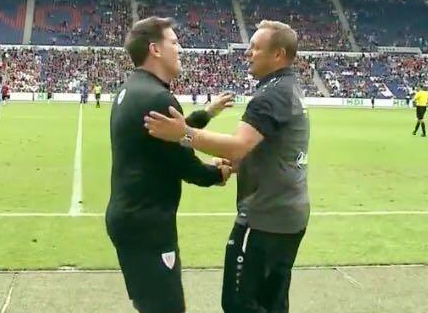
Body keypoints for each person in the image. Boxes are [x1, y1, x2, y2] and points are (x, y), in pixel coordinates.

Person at [145, 20, 310, 313]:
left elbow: (238, 144)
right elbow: (265, 148)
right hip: (287, 214)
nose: (248, 53)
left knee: (239, 303)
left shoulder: (271, 95)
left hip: (265, 217)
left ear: (278, 54)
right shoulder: (288, 88)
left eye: (256, 48)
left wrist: (183, 133)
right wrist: (236, 164)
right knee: (272, 301)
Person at [106, 16, 234, 313]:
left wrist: (206, 113)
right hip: (149, 226)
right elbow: (187, 167)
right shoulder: (160, 98)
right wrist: (221, 171)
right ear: (156, 49)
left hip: (129, 219)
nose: (180, 49)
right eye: (175, 43)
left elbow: (166, 138)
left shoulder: (131, 90)